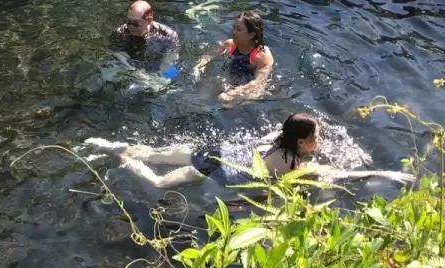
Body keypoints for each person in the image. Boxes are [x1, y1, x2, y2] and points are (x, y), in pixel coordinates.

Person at [85, 113, 321, 190]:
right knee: (158, 182)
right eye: (315, 137)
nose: (319, 140)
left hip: (214, 149)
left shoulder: (276, 138)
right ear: (300, 142)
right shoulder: (286, 161)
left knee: (152, 154)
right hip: (214, 167)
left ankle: (122, 148)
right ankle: (121, 157)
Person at [194, 11, 274, 104]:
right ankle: (200, 106)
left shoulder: (262, 55)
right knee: (209, 84)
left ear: (251, 34)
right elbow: (208, 56)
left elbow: (258, 83)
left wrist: (235, 93)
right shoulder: (230, 44)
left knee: (253, 95)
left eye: (238, 29)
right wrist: (199, 66)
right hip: (231, 80)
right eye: (234, 28)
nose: (234, 32)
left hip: (251, 86)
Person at [110, 0, 180, 73]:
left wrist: (160, 76)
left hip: (157, 64)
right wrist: (134, 71)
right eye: (128, 22)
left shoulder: (167, 35)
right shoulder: (121, 32)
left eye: (135, 23)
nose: (130, 27)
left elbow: (172, 57)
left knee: (173, 74)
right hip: (131, 64)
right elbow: (116, 54)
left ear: (149, 20)